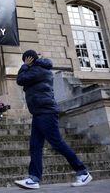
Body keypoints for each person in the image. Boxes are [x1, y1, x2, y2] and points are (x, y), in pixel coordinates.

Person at [14, 49, 92, 189]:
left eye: (25, 60)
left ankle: (82, 172)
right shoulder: (38, 69)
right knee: (35, 146)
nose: (24, 63)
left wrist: (24, 66)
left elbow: (20, 80)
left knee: (57, 143)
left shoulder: (38, 70)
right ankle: (33, 179)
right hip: (39, 112)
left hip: (46, 112)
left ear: (29, 59)